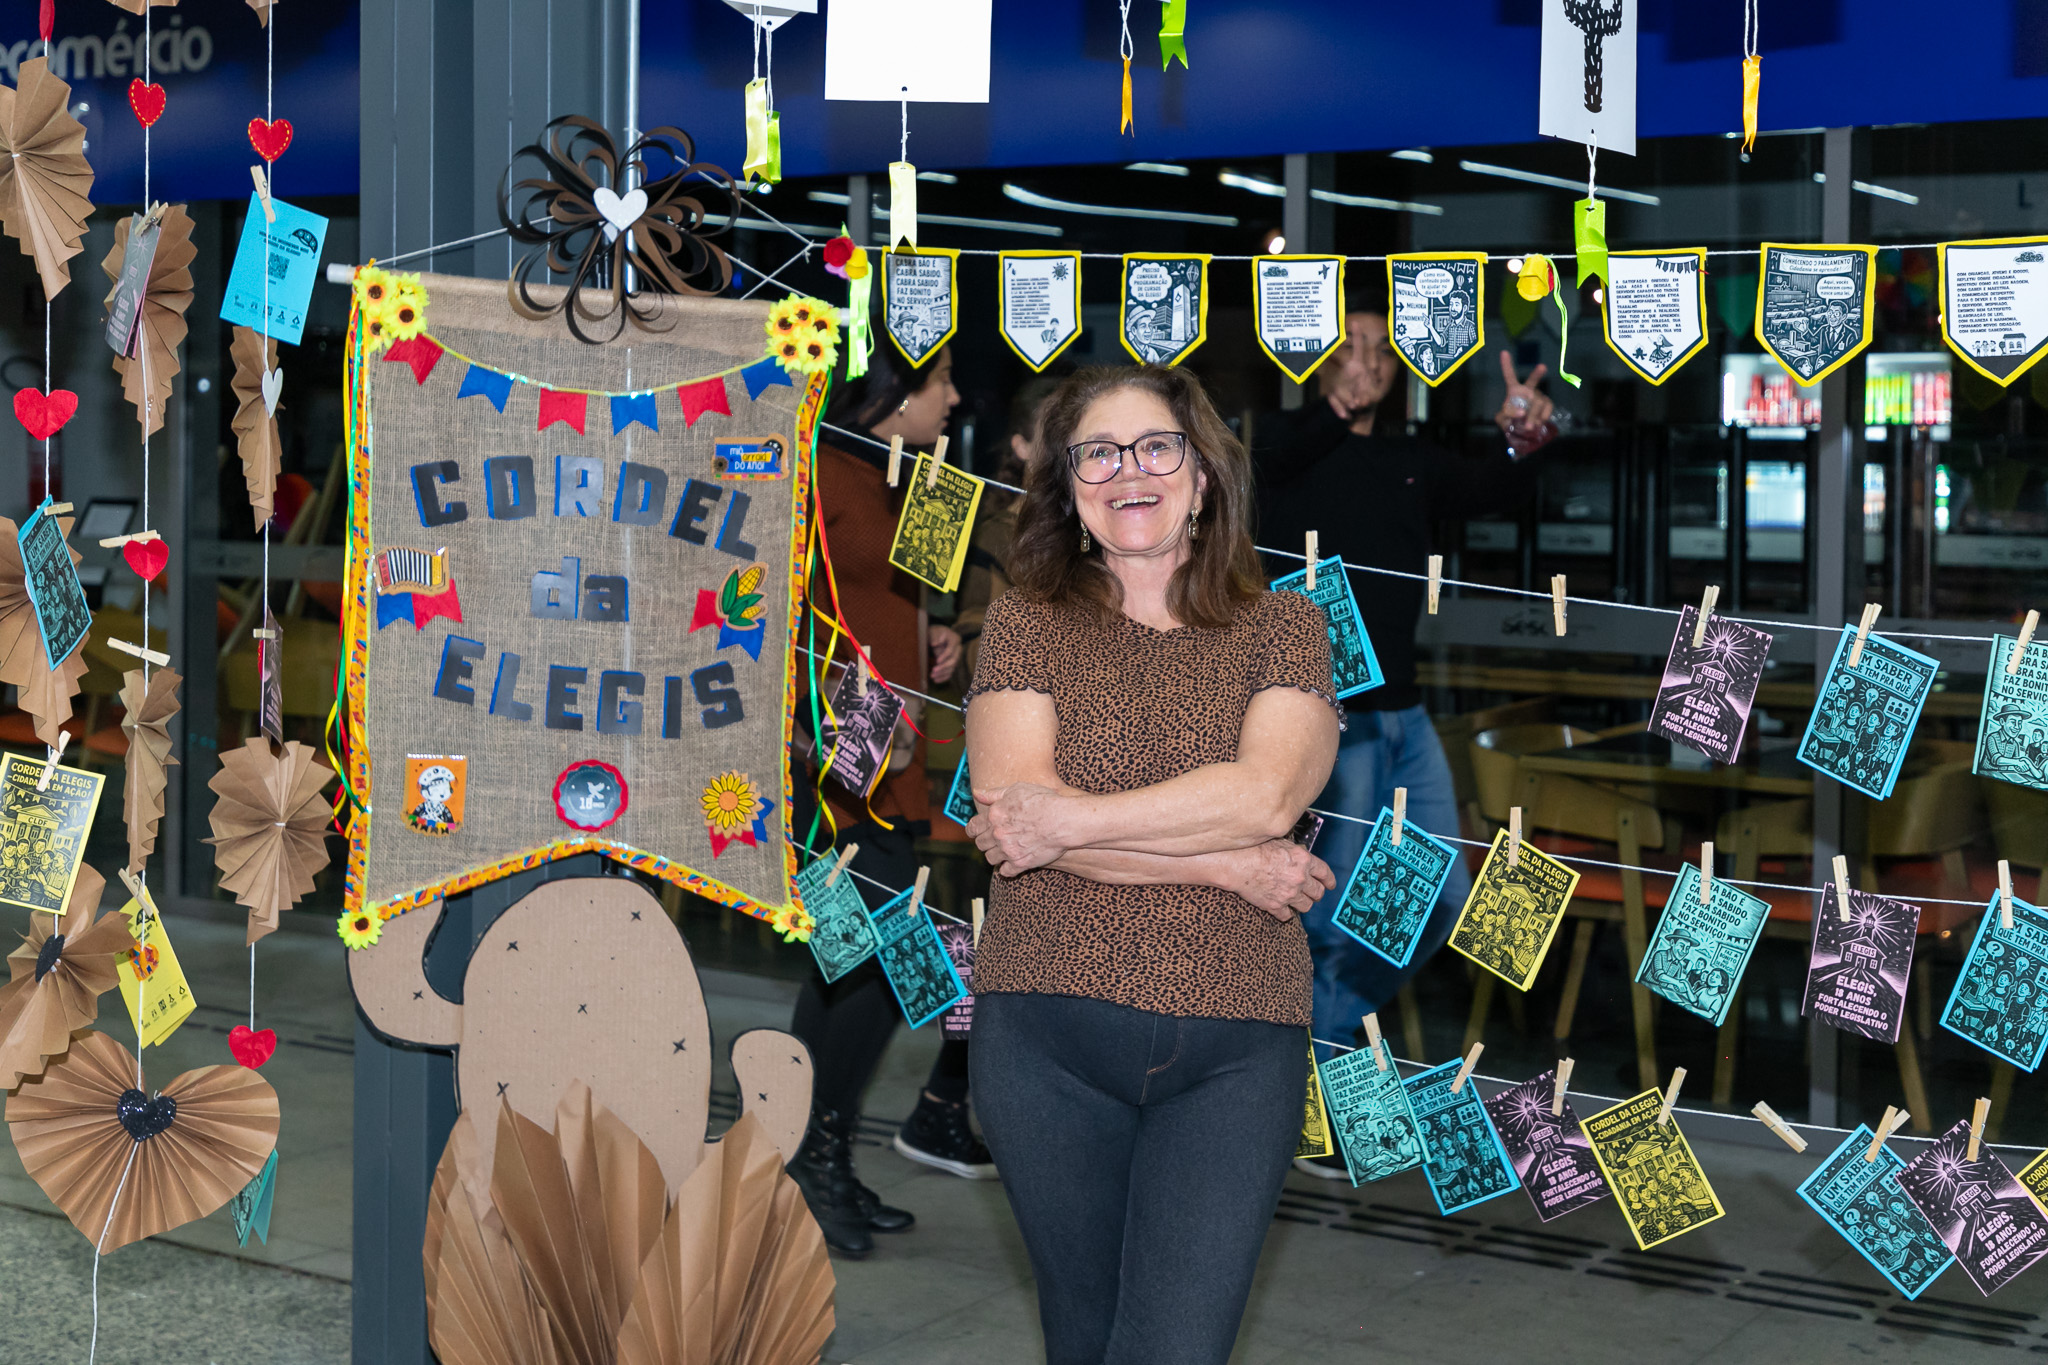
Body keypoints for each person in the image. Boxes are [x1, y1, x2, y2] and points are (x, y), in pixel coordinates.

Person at [964, 365, 1341, 1365]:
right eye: (1097, 453)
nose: (1127, 471)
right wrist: (1227, 869)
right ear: (1068, 486)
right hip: (1044, 1029)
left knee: (1176, 1348)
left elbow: (1264, 798)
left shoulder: (1287, 625)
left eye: (1155, 447)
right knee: (1082, 1336)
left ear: (1203, 476)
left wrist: (1068, 822)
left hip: (1236, 1044)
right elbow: (1010, 815)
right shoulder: (1027, 620)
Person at [1254, 302, 1557, 1178]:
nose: (1366, 361)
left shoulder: (1410, 458)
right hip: (1326, 722)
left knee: (1442, 901)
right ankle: (1318, 1105)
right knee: (1332, 914)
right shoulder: (1284, 445)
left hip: (1407, 716)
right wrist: (1331, 411)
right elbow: (1258, 472)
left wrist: (1524, 439)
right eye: (1349, 346)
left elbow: (1497, 488)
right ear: (1318, 361)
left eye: (1381, 349)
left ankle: (1322, 1053)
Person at [787, 334, 993, 1261]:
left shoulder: (909, 477)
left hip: (894, 756)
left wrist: (932, 633)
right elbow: (774, 614)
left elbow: (891, 598)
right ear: (893, 391)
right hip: (833, 763)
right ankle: (809, 1159)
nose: (953, 398)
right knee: (857, 961)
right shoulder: (819, 473)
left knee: (858, 965)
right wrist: (811, 732)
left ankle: (819, 1154)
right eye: (941, 380)